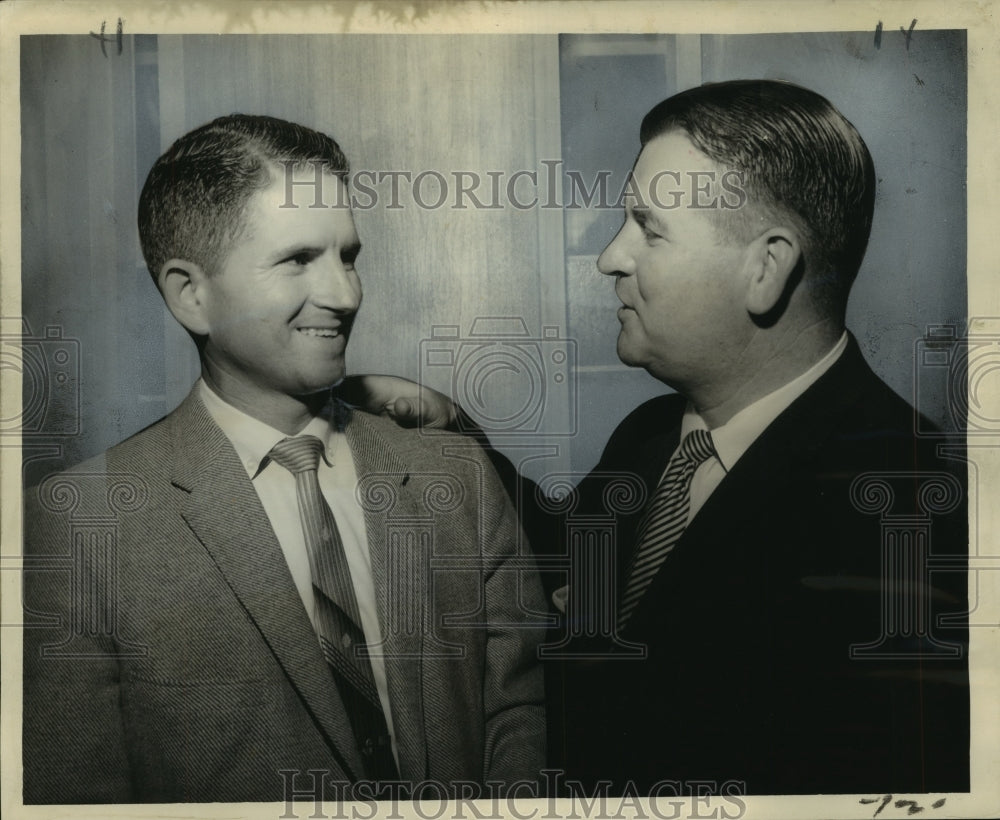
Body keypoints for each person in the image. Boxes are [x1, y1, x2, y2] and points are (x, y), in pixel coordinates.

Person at [347, 80, 970, 795]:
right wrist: (457, 432)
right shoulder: (655, 433)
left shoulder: (910, 507)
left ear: (765, 268)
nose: (612, 257)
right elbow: (572, 559)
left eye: (649, 227)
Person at [22, 114, 546, 804]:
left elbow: (519, 717)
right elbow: (77, 789)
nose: (345, 294)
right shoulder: (84, 524)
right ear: (191, 295)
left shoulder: (459, 478)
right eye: (298, 259)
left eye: (348, 256)